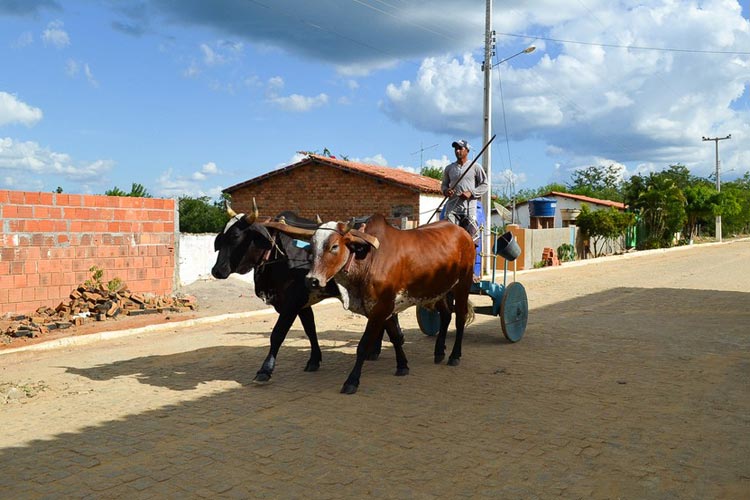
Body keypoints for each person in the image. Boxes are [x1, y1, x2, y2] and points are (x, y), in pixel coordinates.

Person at [441, 139, 488, 242]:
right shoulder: (449, 168)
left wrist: (471, 193)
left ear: (467, 150)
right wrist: (446, 191)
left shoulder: (475, 167)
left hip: (469, 210)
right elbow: (444, 185)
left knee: (471, 242)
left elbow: (485, 185)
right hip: (452, 210)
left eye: (460, 148)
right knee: (449, 240)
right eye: (456, 149)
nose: (457, 151)